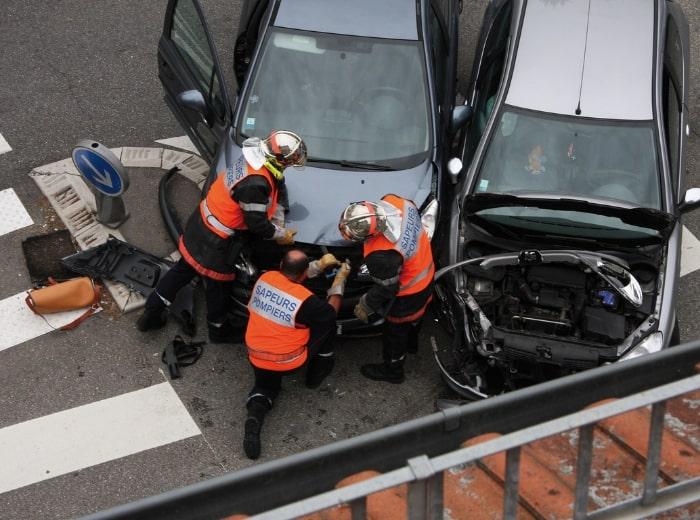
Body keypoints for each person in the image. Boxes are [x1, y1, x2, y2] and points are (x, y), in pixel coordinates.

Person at [136, 130, 307, 343]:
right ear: (279, 159)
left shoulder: (253, 160)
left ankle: (151, 311)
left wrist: (280, 211)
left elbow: (278, 185)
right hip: (217, 241)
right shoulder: (256, 183)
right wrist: (281, 234)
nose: (290, 165)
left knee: (182, 270)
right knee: (218, 288)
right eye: (290, 161)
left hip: (202, 224)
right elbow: (257, 224)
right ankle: (219, 330)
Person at [243, 249, 350, 459]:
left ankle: (255, 415)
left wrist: (318, 266)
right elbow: (329, 314)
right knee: (325, 326)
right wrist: (339, 282)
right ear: (303, 273)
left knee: (265, 388)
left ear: (281, 266)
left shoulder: (266, 278)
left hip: (256, 355)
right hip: (289, 360)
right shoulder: (306, 301)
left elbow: (291, 278)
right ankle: (316, 374)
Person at [338, 194, 434, 384]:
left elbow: (387, 289)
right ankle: (412, 345)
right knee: (416, 319)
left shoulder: (382, 256)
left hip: (408, 293)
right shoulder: (396, 201)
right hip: (426, 270)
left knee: (395, 332)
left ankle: (393, 370)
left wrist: (365, 304)